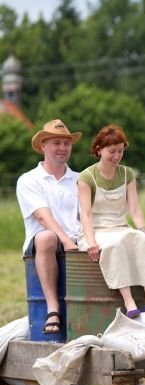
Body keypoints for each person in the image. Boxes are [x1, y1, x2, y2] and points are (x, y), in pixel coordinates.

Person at [76, 124, 145, 319]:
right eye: (112, 151)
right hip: (96, 230)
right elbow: (86, 214)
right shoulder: (86, 177)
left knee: (141, 241)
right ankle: (129, 301)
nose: (116, 156)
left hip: (121, 226)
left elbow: (134, 209)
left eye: (121, 151)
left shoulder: (127, 174)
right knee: (115, 245)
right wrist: (91, 242)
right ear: (99, 150)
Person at [17, 119, 82, 334]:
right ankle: (53, 309)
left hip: (76, 240)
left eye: (67, 143)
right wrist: (67, 242)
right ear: (43, 145)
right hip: (43, 246)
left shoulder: (80, 179)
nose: (62, 148)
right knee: (46, 237)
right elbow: (43, 217)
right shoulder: (29, 180)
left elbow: (88, 217)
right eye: (56, 143)